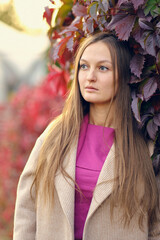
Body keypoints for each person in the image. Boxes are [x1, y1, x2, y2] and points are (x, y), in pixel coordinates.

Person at [13, 32, 160, 240]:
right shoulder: (55, 136)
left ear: (125, 77)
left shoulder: (145, 148)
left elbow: (156, 227)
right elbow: (27, 208)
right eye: (84, 66)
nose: (90, 76)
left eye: (103, 68)